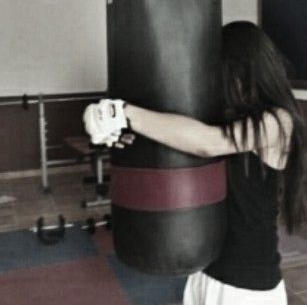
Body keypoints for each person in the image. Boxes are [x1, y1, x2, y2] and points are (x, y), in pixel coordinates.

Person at [83, 21, 306, 305]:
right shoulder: (226, 114)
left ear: (248, 70)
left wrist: (122, 113)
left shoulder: (279, 121)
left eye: (222, 74)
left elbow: (209, 142)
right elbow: (184, 137)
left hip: (247, 285)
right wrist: (125, 136)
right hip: (205, 270)